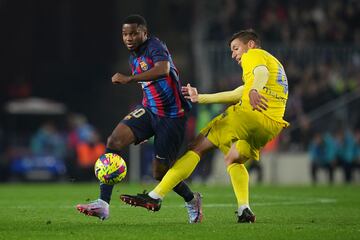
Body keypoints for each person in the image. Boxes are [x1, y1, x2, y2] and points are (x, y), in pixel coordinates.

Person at [120, 29, 289, 223]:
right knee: (234, 159)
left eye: (236, 49)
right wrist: (201, 98)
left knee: (196, 147)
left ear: (250, 44)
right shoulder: (275, 64)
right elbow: (239, 92)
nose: (234, 54)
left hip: (250, 114)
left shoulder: (255, 55)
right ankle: (244, 209)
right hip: (271, 126)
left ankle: (155, 196)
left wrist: (254, 91)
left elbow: (260, 74)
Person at [76, 14, 202, 223]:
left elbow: (163, 70)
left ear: (144, 33)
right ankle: (103, 204)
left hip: (172, 117)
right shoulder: (133, 55)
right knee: (113, 141)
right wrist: (143, 127)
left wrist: (129, 78)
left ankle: (192, 199)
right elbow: (150, 88)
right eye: (125, 34)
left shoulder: (154, 46)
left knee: (160, 174)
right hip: (149, 111)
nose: (129, 38)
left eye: (134, 33)